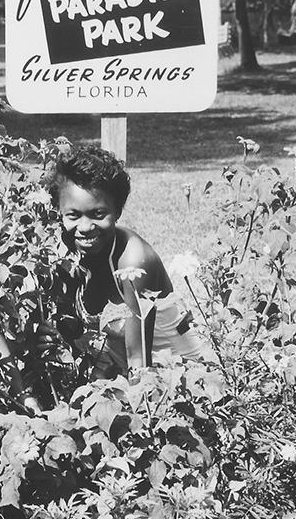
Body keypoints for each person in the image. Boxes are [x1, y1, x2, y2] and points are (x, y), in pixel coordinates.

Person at [42, 145, 208, 375]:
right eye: (73, 215)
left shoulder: (134, 261)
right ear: (59, 212)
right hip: (120, 363)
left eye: (98, 214)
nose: (85, 227)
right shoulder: (68, 252)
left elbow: (139, 360)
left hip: (176, 371)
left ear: (117, 211)